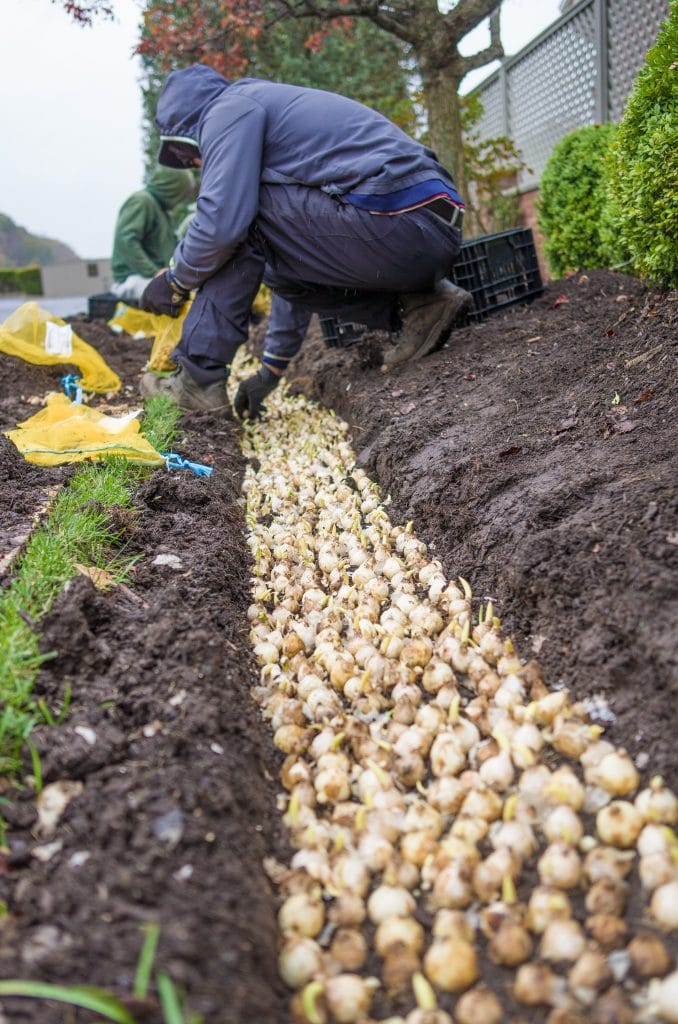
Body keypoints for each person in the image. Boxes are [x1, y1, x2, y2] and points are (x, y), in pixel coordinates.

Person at [139, 64, 473, 416]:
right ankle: (421, 306)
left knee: (238, 218)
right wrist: (272, 369)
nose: (195, 164)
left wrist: (176, 280)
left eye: (188, 156)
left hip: (396, 218)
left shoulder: (228, 109)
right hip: (423, 227)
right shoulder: (262, 109)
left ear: (188, 132)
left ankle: (197, 381)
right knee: (267, 253)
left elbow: (222, 224)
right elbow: (292, 258)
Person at [111, 166, 197, 303]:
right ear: (172, 187)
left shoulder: (163, 211)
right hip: (134, 278)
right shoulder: (141, 201)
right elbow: (127, 241)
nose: (182, 200)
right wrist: (154, 272)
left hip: (156, 277)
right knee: (176, 298)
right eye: (182, 194)